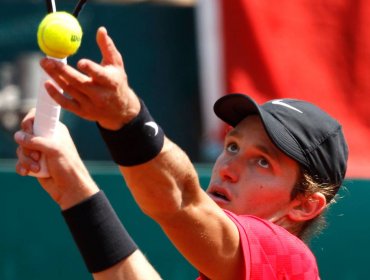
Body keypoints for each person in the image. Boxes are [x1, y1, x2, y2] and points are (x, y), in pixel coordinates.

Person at [15, 26, 348, 279]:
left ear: (305, 204)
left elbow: (181, 202)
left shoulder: (288, 260)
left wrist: (127, 118)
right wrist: (71, 184)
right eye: (232, 146)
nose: (228, 168)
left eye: (262, 162)